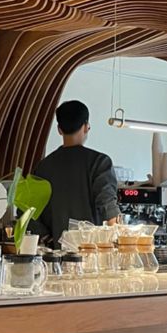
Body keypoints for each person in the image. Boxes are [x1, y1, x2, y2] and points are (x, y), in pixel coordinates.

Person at [30, 100, 120, 246]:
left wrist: (51, 242)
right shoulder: (99, 162)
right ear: (86, 127)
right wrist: (121, 239)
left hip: (57, 259)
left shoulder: (43, 167)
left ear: (59, 129)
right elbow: (107, 204)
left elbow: (31, 215)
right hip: (93, 255)